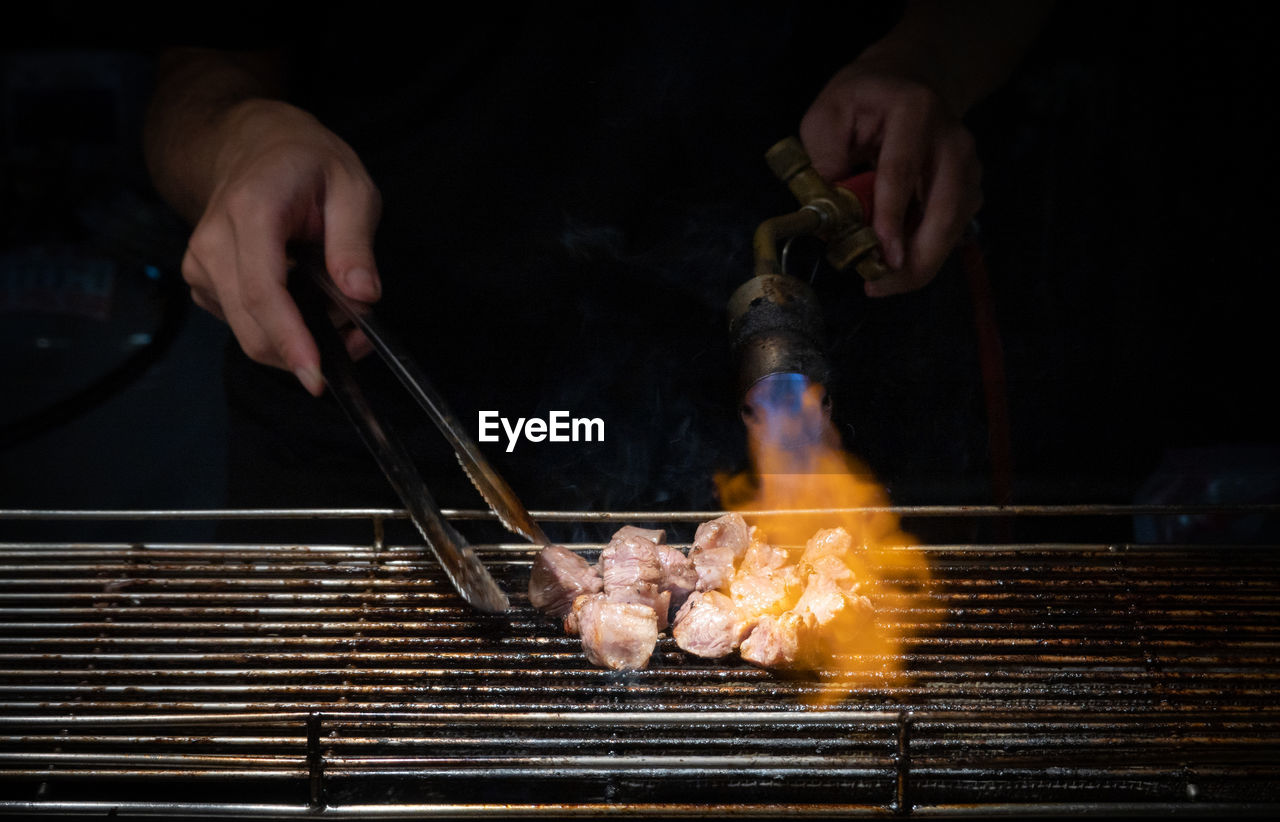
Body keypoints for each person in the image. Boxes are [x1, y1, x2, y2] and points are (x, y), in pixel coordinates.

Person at [144, 2, 1052, 521]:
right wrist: (235, 141)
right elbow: (198, 70)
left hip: (837, 391)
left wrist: (930, 61)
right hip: (391, 421)